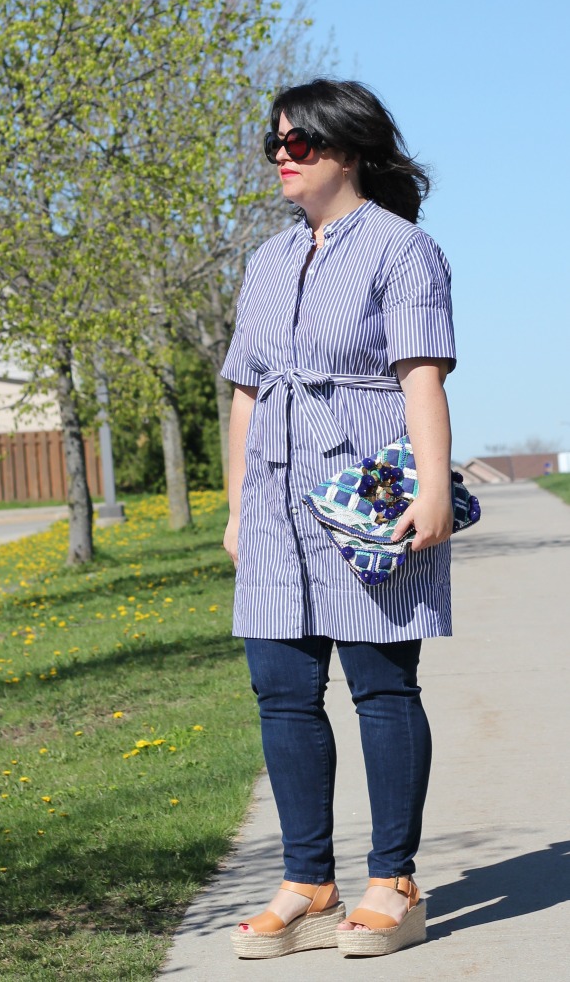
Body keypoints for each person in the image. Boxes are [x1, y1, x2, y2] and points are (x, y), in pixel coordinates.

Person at [221, 79, 457, 959]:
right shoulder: (267, 261)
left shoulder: (404, 249)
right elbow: (247, 390)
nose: (283, 156)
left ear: (347, 151)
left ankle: (393, 879)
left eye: (299, 144)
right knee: (282, 693)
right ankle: (308, 882)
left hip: (367, 498)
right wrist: (241, 502)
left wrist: (432, 487)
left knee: (381, 688)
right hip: (276, 504)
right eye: (273, 145)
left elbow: (420, 376)